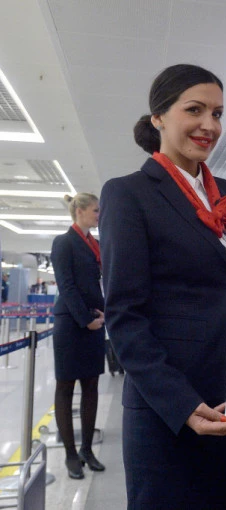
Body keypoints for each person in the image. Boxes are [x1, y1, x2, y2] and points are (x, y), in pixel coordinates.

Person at [99, 64, 226, 509]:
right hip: (168, 407)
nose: (209, 125)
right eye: (195, 110)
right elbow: (124, 315)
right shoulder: (128, 194)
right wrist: (181, 403)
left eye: (217, 113)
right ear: (158, 117)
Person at [50, 193, 106, 480]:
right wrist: (86, 320)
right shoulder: (64, 242)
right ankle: (70, 454)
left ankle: (87, 449)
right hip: (71, 324)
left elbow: (97, 284)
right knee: (66, 387)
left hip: (94, 321)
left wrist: (102, 313)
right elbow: (67, 286)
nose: (99, 214)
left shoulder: (95, 244)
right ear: (81, 211)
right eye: (96, 210)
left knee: (91, 385)